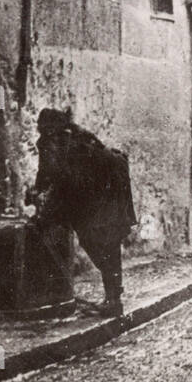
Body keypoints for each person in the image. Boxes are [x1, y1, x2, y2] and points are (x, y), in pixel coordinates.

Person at [27, 108, 136, 316]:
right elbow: (50, 175)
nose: (39, 132)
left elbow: (60, 178)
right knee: (104, 242)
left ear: (51, 128)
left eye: (42, 128)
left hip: (106, 190)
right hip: (107, 187)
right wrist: (39, 190)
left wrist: (44, 209)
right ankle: (113, 298)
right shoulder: (72, 135)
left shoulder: (61, 142)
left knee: (97, 240)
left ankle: (113, 300)